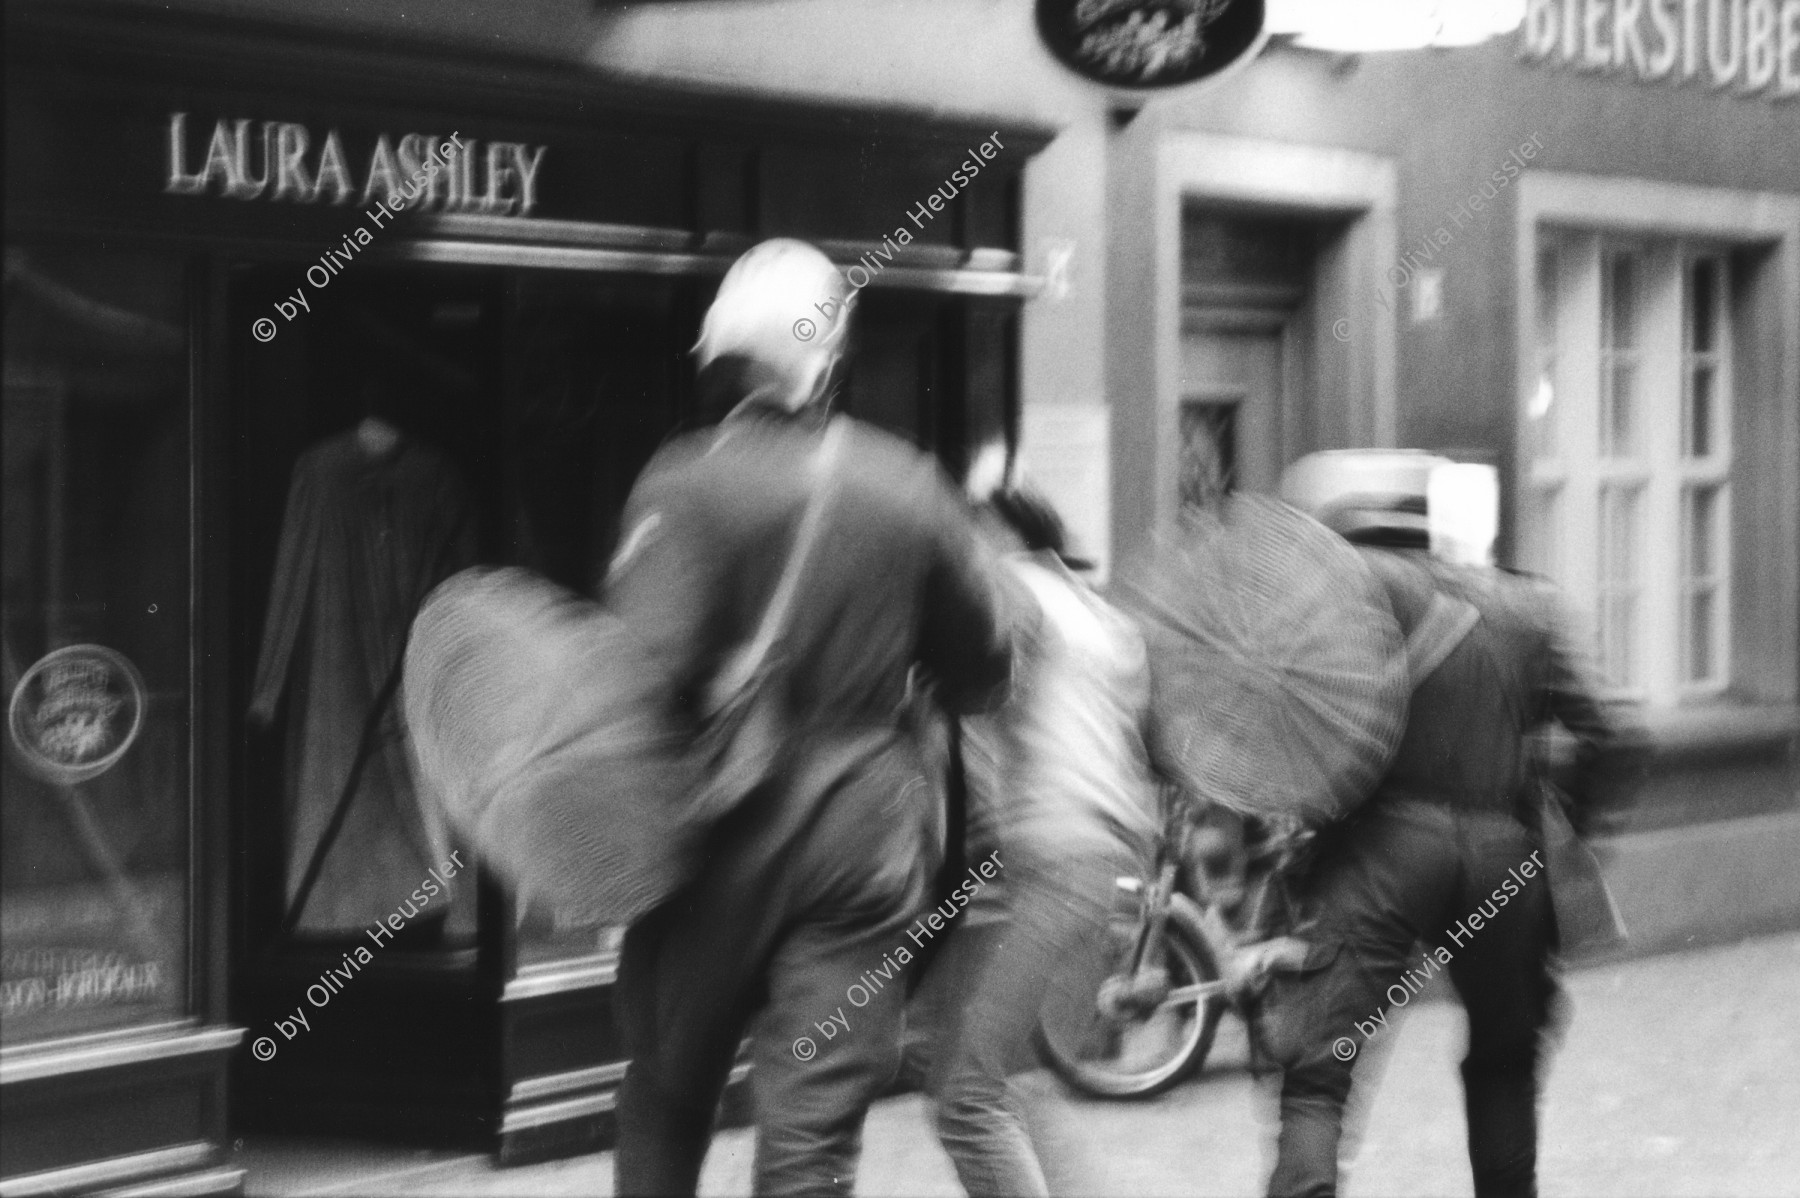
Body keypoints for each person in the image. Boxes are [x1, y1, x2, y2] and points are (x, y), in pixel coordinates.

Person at [604, 238, 1013, 1197]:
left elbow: (635, 680)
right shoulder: (906, 482)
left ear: (722, 362)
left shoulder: (680, 482)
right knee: (813, 1140)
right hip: (864, 844)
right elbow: (986, 666)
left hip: (711, 848)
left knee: (666, 1093)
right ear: (827, 361)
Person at [1263, 452, 1633, 1198]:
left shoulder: (1356, 588)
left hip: (1384, 848)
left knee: (1318, 1080)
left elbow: (1293, 719)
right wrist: (1567, 837)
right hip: (1504, 856)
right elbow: (1612, 735)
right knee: (1504, 1064)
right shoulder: (1532, 606)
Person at [917, 487, 1161, 1198]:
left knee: (968, 1098)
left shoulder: (1010, 594)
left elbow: (966, 701)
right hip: (1109, 871)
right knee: (1009, 1083)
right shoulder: (1101, 616)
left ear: (996, 536)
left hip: (1055, 868)